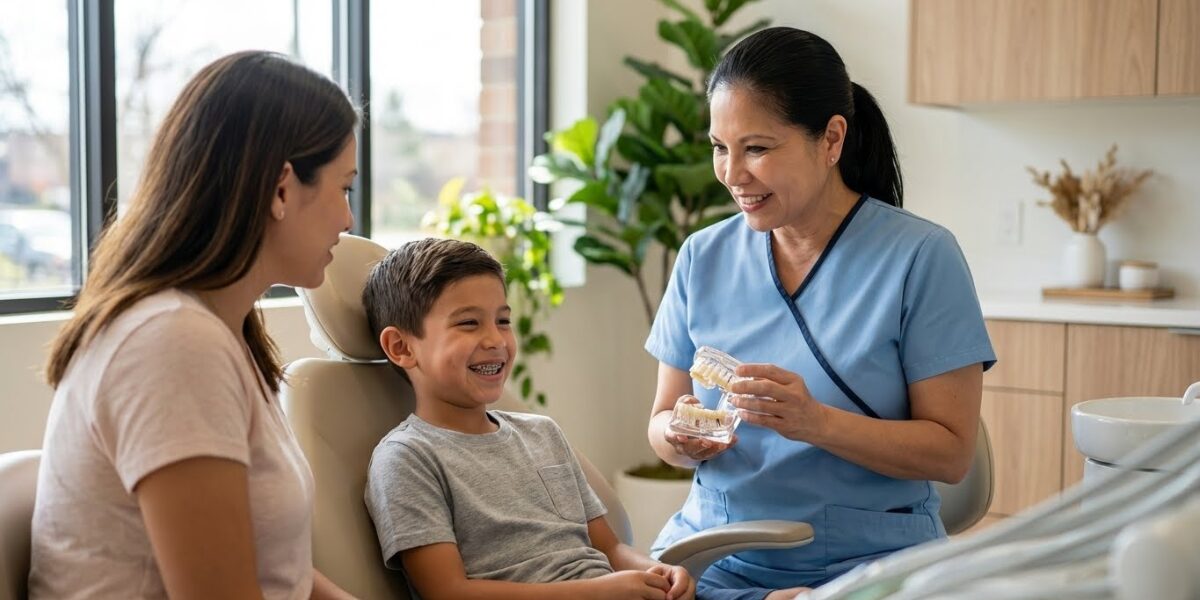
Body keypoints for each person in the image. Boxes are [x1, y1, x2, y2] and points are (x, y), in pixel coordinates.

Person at [644, 27, 997, 599]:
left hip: (866, 564)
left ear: (831, 138)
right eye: (719, 147)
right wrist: (680, 437)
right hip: (715, 554)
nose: (732, 174)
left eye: (756, 148)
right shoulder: (701, 257)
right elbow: (660, 422)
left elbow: (951, 454)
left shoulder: (920, 258)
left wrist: (816, 423)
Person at [33, 51, 359, 599]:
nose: (349, 218)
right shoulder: (171, 344)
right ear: (281, 189)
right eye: (344, 188)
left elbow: (278, 570)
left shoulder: (221, 333)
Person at [361, 238, 695, 600]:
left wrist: (657, 572)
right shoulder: (407, 458)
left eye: (503, 321)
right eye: (469, 323)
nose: (496, 339)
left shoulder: (542, 433)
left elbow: (611, 551)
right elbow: (448, 592)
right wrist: (599, 592)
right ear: (401, 347)